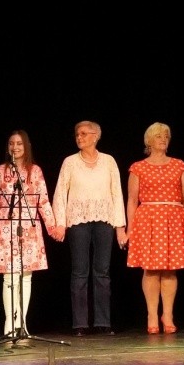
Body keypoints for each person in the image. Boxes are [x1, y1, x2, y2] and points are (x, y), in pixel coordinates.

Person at [52, 120, 126, 336]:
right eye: (77, 134)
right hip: (78, 220)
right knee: (80, 271)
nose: (79, 137)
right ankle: (80, 324)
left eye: (84, 133)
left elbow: (117, 193)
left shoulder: (109, 161)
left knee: (102, 271)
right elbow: (60, 193)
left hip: (105, 220)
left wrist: (120, 227)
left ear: (96, 136)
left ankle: (103, 321)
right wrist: (60, 223)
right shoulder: (70, 162)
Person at [0, 130, 59, 336]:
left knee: (26, 277)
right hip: (5, 230)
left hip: (29, 230)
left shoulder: (35, 171)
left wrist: (53, 228)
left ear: (26, 147)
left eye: (19, 144)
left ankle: (22, 323)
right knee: (9, 278)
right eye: (11, 143)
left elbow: (43, 201)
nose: (15, 147)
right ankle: (9, 323)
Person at [125, 122, 184, 334]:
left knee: (169, 269)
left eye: (166, 136)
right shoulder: (138, 167)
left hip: (174, 220)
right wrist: (130, 228)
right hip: (148, 220)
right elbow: (132, 200)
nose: (163, 139)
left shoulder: (179, 165)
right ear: (149, 141)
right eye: (158, 136)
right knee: (150, 269)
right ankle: (152, 315)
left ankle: (168, 315)